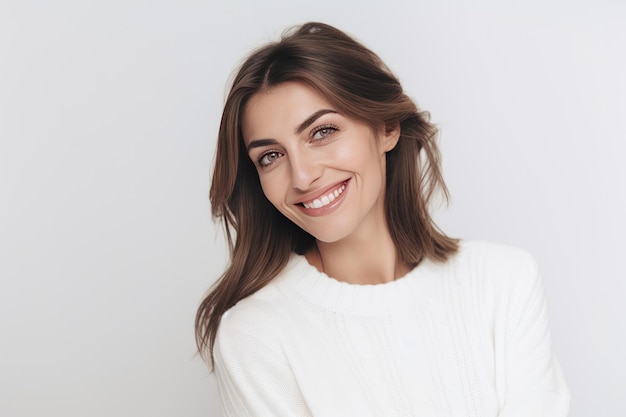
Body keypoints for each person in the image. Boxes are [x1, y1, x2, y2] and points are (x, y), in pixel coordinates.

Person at [196, 22, 570, 417]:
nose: (302, 177)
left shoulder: (503, 281)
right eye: (270, 156)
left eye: (322, 132)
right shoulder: (255, 335)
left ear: (386, 127)